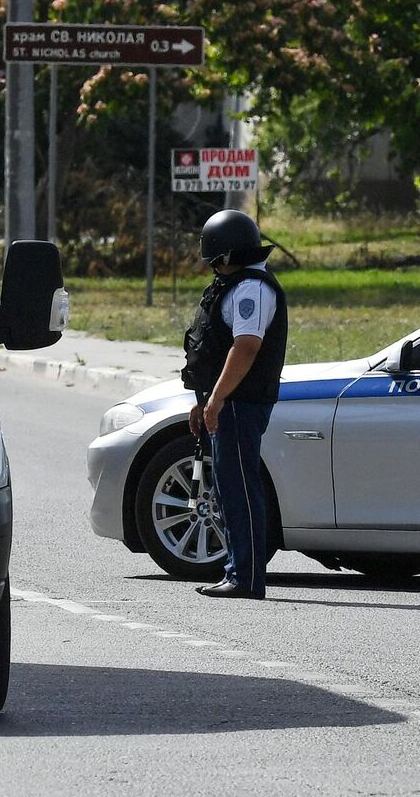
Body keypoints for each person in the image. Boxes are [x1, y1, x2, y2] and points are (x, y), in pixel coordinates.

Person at [181, 209, 289, 600]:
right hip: (228, 401)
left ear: (226, 255)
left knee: (240, 488)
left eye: (214, 257)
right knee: (229, 487)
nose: (211, 265)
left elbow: (246, 348)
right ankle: (238, 571)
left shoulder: (252, 289)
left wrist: (219, 398)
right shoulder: (237, 284)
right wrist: (205, 399)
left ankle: (245, 577)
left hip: (241, 403)